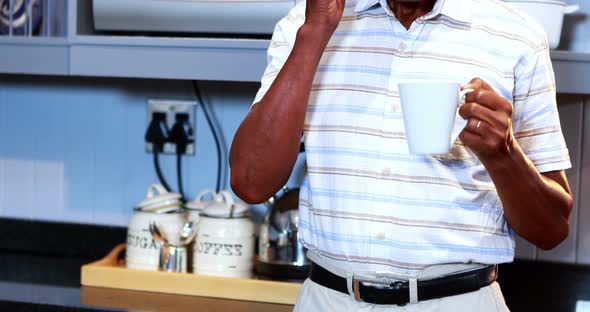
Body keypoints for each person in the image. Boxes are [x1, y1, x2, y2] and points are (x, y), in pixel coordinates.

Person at [229, 0, 573, 310]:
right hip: (328, 300)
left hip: (459, 303)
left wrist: (504, 154)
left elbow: (551, 230)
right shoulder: (306, 25)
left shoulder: (516, 35)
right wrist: (315, 30)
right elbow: (251, 183)